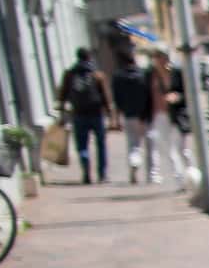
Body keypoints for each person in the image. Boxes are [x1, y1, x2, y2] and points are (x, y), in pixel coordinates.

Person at [58, 47, 116, 184]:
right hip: (96, 114)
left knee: (82, 146)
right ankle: (102, 174)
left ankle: (86, 173)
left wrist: (61, 114)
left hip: (78, 114)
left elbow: (62, 95)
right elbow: (105, 97)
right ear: (89, 57)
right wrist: (110, 115)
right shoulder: (97, 75)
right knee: (101, 145)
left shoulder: (69, 74)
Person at [111, 49, 154, 182]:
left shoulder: (117, 77)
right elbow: (149, 95)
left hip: (129, 115)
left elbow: (116, 100)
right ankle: (152, 174)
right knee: (150, 145)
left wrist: (116, 118)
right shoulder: (143, 75)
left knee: (133, 143)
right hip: (145, 115)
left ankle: (134, 161)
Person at [147, 50, 186, 185]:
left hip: (176, 115)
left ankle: (190, 173)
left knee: (182, 148)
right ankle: (179, 177)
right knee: (166, 147)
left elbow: (186, 93)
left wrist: (177, 97)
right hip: (159, 115)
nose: (158, 60)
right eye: (155, 57)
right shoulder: (150, 75)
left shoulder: (176, 73)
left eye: (160, 57)